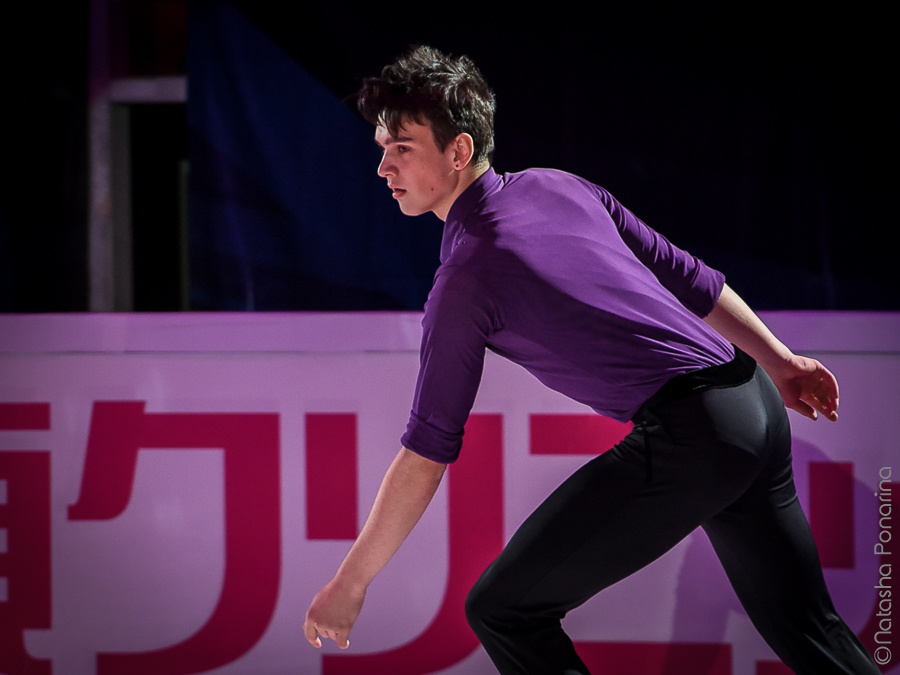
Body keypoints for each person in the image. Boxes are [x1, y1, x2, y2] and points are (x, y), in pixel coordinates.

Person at [303, 45, 879, 674]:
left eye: (402, 148)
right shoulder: (558, 184)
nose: (383, 166)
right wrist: (781, 363)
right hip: (753, 402)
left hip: (699, 435)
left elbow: (428, 451)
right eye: (382, 147)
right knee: (812, 633)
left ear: (459, 151)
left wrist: (351, 582)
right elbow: (688, 276)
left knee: (503, 609)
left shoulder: (466, 279)